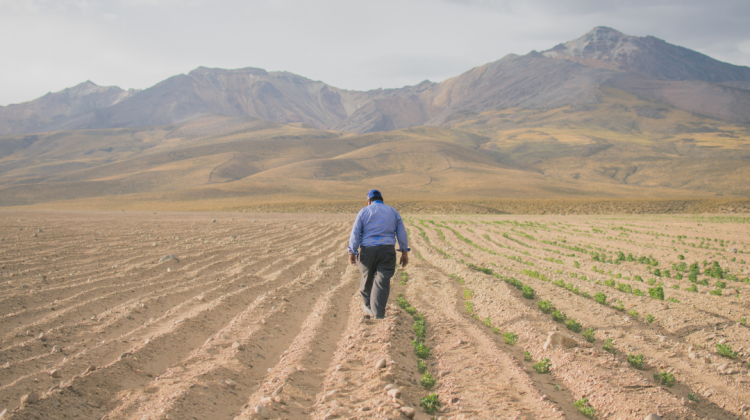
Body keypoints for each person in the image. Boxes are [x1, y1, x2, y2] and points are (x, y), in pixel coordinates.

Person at [348, 189, 410, 319]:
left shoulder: (364, 211)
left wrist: (352, 252)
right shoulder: (393, 211)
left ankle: (368, 306)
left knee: (367, 278)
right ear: (382, 200)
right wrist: (404, 252)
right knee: (382, 281)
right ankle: (379, 314)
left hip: (367, 250)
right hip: (387, 250)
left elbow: (355, 233)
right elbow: (402, 233)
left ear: (369, 201)